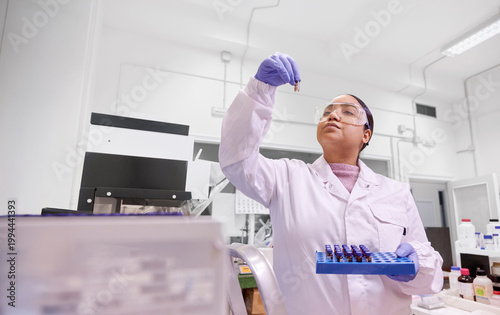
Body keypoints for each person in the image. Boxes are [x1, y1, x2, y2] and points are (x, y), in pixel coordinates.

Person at [219, 52, 443, 315]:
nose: (333, 116)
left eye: (347, 112)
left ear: (366, 134)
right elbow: (237, 160)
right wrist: (260, 90)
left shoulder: (396, 192)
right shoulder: (287, 178)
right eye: (327, 112)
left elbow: (430, 276)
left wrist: (418, 266)